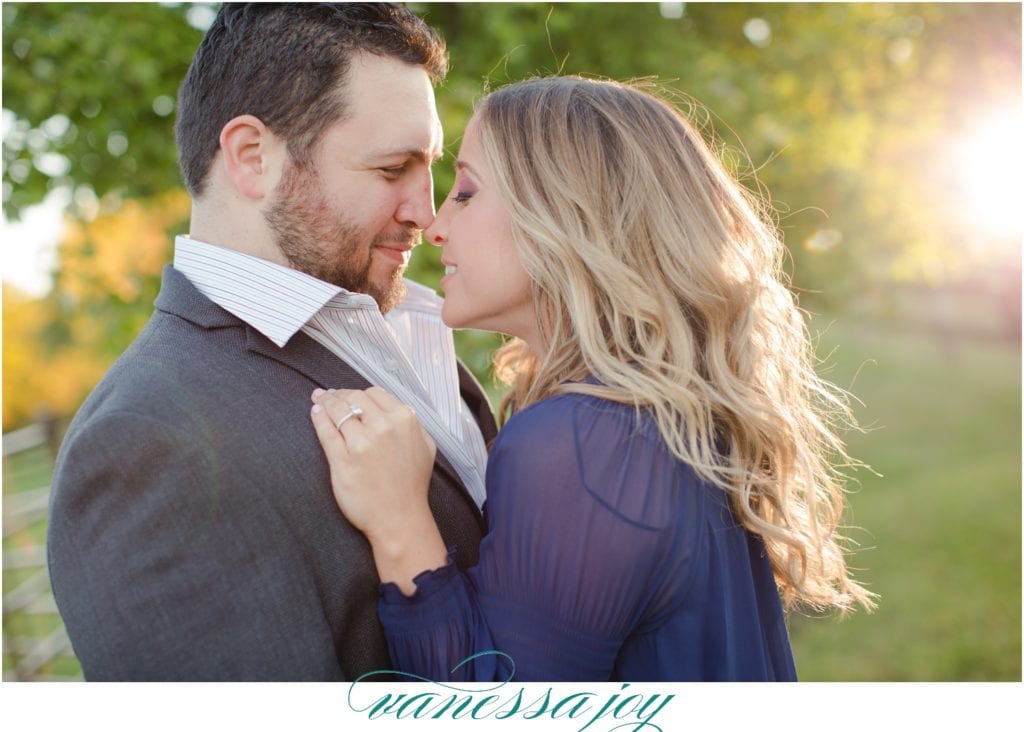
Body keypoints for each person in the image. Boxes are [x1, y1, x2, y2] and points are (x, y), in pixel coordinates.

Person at [310, 76, 877, 682]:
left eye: (468, 191)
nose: (436, 222)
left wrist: (400, 525)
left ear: (566, 214)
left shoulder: (581, 440)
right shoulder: (658, 412)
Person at [47, 3, 496, 681]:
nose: (424, 212)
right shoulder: (147, 443)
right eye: (391, 169)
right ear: (252, 158)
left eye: (428, 167)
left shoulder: (409, 329)